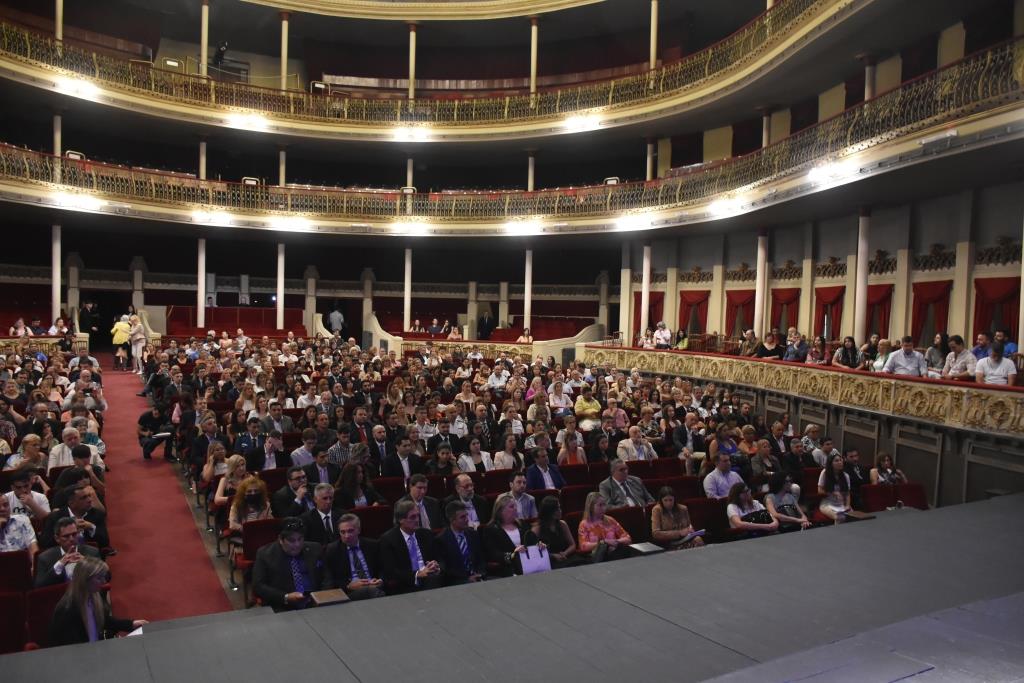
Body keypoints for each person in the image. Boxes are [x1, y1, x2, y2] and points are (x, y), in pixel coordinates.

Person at [49, 557, 145, 645]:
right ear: (85, 580)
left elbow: (104, 620)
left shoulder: (93, 595)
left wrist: (131, 624)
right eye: (99, 578)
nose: (104, 581)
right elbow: (73, 647)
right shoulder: (67, 610)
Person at [251, 517, 325, 611]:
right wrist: (285, 597)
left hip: (315, 603)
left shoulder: (315, 548)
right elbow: (258, 586)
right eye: (292, 541)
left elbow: (326, 576)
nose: (297, 544)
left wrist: (323, 596)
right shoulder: (265, 555)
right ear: (280, 540)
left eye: (300, 539)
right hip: (283, 606)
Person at [378, 500, 443, 593]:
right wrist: (417, 574)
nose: (417, 520)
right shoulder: (388, 540)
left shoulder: (426, 534)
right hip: (406, 582)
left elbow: (440, 559)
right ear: (401, 520)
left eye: (417, 516)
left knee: (434, 579)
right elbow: (390, 571)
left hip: (429, 577)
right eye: (412, 517)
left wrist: (436, 566)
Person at [322, 513, 385, 600]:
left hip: (374, 586)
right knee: (371, 592)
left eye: (350, 531)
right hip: (351, 593)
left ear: (359, 530)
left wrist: (380, 580)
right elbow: (330, 581)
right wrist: (348, 586)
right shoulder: (333, 550)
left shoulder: (372, 545)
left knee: (373, 590)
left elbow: (384, 569)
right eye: (342, 532)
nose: (346, 536)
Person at [481, 493, 541, 577]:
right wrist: (513, 555)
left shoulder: (522, 524)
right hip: (506, 569)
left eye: (515, 506)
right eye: (511, 507)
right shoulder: (491, 529)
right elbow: (493, 553)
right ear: (501, 510)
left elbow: (533, 541)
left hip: (529, 565)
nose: (515, 509)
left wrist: (539, 546)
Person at [34, 516, 102, 587]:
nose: (71, 539)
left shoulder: (92, 552)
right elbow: (39, 586)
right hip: (61, 596)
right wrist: (59, 565)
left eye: (74, 534)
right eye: (66, 536)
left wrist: (87, 564)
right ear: (57, 538)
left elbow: (106, 576)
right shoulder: (45, 558)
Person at [41, 484, 109, 551]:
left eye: (89, 496)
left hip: (90, 557)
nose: (89, 500)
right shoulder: (55, 517)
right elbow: (46, 543)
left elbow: (105, 543)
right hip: (63, 557)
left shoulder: (96, 514)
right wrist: (65, 532)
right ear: (71, 503)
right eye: (84, 498)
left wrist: (91, 527)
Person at [435, 501, 486, 585]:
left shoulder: (473, 534)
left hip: (478, 578)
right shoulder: (441, 540)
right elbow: (446, 568)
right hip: (457, 582)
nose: (467, 519)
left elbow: (481, 559)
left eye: (467, 515)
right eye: (462, 517)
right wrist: (467, 579)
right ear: (452, 520)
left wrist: (480, 574)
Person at [577, 492, 631, 563]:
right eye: (600, 505)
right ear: (591, 506)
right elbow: (583, 546)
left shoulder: (610, 520)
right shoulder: (584, 524)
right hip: (596, 557)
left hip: (614, 553)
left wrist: (616, 542)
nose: (603, 508)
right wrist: (603, 543)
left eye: (604, 505)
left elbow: (627, 538)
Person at [817, 452, 851, 522]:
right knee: (840, 517)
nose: (840, 462)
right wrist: (833, 492)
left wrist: (847, 505)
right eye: (836, 461)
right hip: (827, 504)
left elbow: (847, 493)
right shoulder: (825, 473)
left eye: (841, 460)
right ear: (831, 463)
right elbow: (819, 491)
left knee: (853, 517)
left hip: (841, 504)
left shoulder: (846, 476)